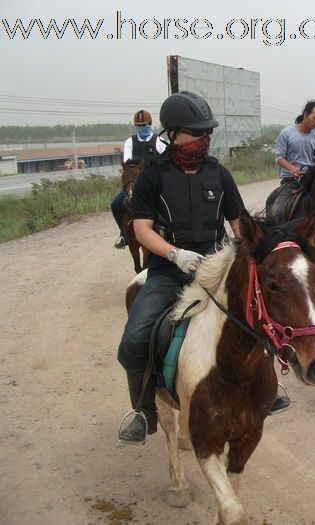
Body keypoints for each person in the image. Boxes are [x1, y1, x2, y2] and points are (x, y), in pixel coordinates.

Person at [116, 91, 245, 444]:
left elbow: (239, 223)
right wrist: (176, 255)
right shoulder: (152, 178)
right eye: (197, 132)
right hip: (168, 275)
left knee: (258, 315)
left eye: (207, 133)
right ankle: (143, 411)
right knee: (132, 341)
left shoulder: (220, 175)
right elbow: (141, 230)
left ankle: (268, 386)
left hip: (215, 272)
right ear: (173, 135)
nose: (205, 139)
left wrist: (243, 248)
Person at [112, 110, 166, 249]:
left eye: (144, 125)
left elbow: (167, 160)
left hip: (155, 183)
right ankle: (123, 234)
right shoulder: (130, 142)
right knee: (116, 204)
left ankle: (168, 232)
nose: (142, 128)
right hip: (135, 183)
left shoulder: (159, 141)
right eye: (139, 125)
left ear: (150, 125)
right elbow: (128, 162)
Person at [269, 100, 315, 219]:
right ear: (305, 114)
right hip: (291, 181)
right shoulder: (287, 133)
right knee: (277, 211)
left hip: (311, 182)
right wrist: (292, 168)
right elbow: (279, 157)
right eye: (314, 118)